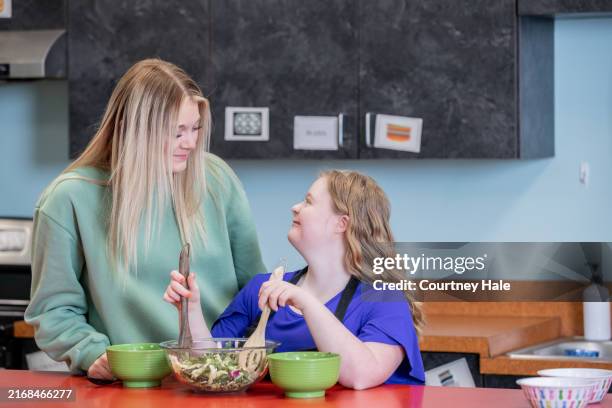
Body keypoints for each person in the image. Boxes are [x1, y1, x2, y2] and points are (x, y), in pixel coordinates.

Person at [25, 59, 266, 380]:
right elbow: (52, 312)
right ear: (134, 130)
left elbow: (255, 292)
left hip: (217, 383)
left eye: (195, 128)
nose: (191, 143)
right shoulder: (68, 200)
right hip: (128, 386)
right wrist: (91, 352)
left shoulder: (217, 180)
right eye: (177, 132)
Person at [164, 170, 425, 389]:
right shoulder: (262, 289)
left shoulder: (384, 298)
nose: (295, 207)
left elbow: (361, 375)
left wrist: (306, 302)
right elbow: (212, 366)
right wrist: (191, 309)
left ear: (341, 223)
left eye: (309, 202)